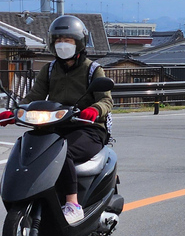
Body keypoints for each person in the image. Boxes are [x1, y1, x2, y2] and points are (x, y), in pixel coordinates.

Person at [0, 15, 113, 224]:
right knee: (31, 149)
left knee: (63, 153)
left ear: (79, 43)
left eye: (68, 40)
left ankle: (72, 204)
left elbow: (106, 101)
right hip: (55, 125)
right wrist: (15, 111)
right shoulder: (49, 69)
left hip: (88, 128)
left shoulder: (92, 69)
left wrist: (94, 110)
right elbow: (33, 96)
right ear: (53, 43)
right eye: (59, 40)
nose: (63, 44)